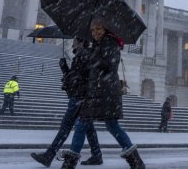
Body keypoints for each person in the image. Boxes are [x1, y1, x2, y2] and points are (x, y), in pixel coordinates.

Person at [60, 18, 145, 169]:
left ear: (106, 29)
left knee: (110, 125)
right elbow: (94, 68)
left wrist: (89, 55)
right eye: (93, 30)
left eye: (98, 29)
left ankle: (135, 161)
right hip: (96, 91)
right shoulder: (98, 45)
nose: (95, 32)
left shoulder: (110, 43)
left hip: (106, 91)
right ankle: (70, 163)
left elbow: (109, 65)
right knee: (84, 124)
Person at [30, 37, 103, 167]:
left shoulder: (83, 55)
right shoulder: (82, 55)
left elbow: (77, 78)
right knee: (88, 127)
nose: (73, 42)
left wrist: (66, 72)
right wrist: (64, 68)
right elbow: (76, 76)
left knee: (66, 127)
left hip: (79, 96)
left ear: (81, 42)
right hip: (81, 95)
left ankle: (49, 155)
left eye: (75, 40)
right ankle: (97, 154)